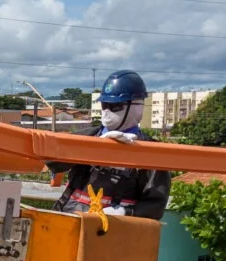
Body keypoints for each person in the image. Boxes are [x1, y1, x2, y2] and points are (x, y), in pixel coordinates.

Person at [48, 69, 170, 220]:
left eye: (115, 106)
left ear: (136, 107)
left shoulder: (152, 152)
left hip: (115, 230)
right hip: (71, 219)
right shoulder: (88, 137)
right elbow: (52, 161)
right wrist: (94, 149)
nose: (107, 111)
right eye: (104, 105)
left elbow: (155, 206)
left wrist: (124, 212)